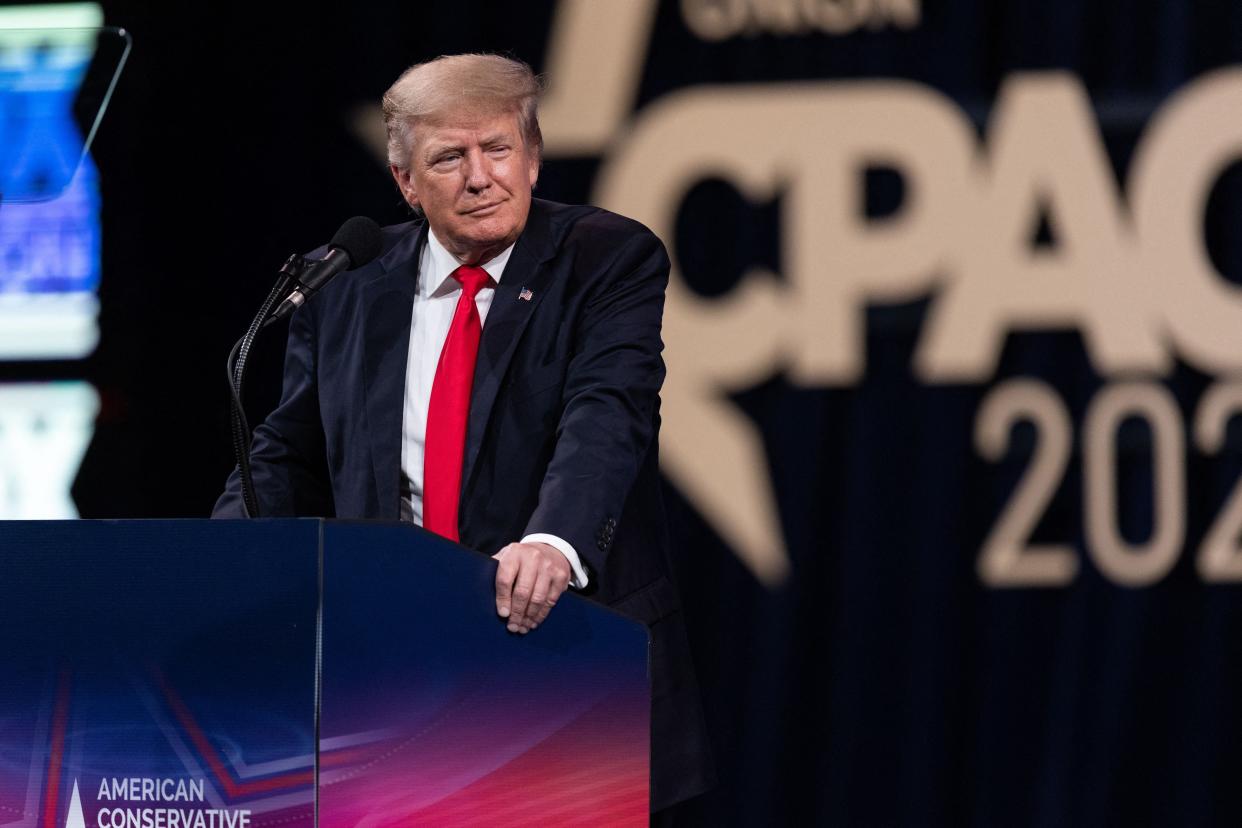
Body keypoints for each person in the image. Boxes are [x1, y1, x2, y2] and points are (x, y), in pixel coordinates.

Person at [213, 53, 713, 814]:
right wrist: (219, 560)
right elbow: (289, 453)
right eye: (449, 158)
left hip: (566, 655)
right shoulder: (345, 285)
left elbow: (607, 412)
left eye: (499, 149)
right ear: (406, 184)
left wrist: (556, 542)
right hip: (393, 681)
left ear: (533, 157)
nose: (481, 177)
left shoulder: (604, 259)